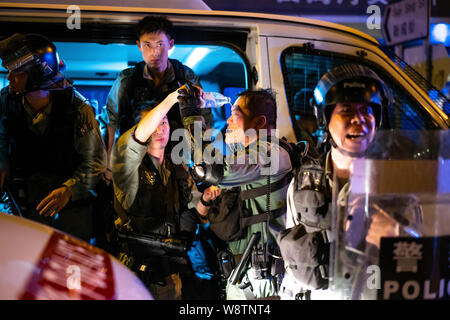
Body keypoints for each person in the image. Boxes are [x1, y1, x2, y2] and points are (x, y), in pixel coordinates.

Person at [277, 63, 416, 300]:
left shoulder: (399, 182)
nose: (359, 119)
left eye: (367, 110)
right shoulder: (304, 182)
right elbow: (294, 265)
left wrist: (400, 238)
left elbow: (422, 267)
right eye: (347, 109)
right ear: (325, 118)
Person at [177, 86, 293, 299]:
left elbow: (210, 169)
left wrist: (191, 116)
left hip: (263, 286)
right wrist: (201, 108)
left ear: (259, 123)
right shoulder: (247, 153)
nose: (228, 122)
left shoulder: (269, 154)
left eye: (235, 115)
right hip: (245, 277)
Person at [111, 90, 220, 300]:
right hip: (136, 274)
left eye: (164, 123)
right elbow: (134, 139)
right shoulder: (127, 167)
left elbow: (192, 216)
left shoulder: (177, 166)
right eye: (153, 124)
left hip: (171, 272)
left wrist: (205, 199)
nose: (159, 130)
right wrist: (172, 99)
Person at [0, 33, 106, 241]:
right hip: (26, 200)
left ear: (36, 74)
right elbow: (1, 138)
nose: (10, 78)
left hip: (69, 204)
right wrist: (2, 162)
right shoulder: (5, 100)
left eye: (17, 73)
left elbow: (96, 161)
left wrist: (69, 190)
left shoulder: (78, 108)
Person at [103, 15, 211, 184]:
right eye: (147, 45)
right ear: (139, 45)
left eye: (160, 44)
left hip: (177, 159)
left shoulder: (186, 77)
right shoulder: (127, 80)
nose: (155, 52)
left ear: (171, 45)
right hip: (136, 159)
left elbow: (203, 120)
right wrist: (109, 164)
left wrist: (203, 161)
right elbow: (111, 121)